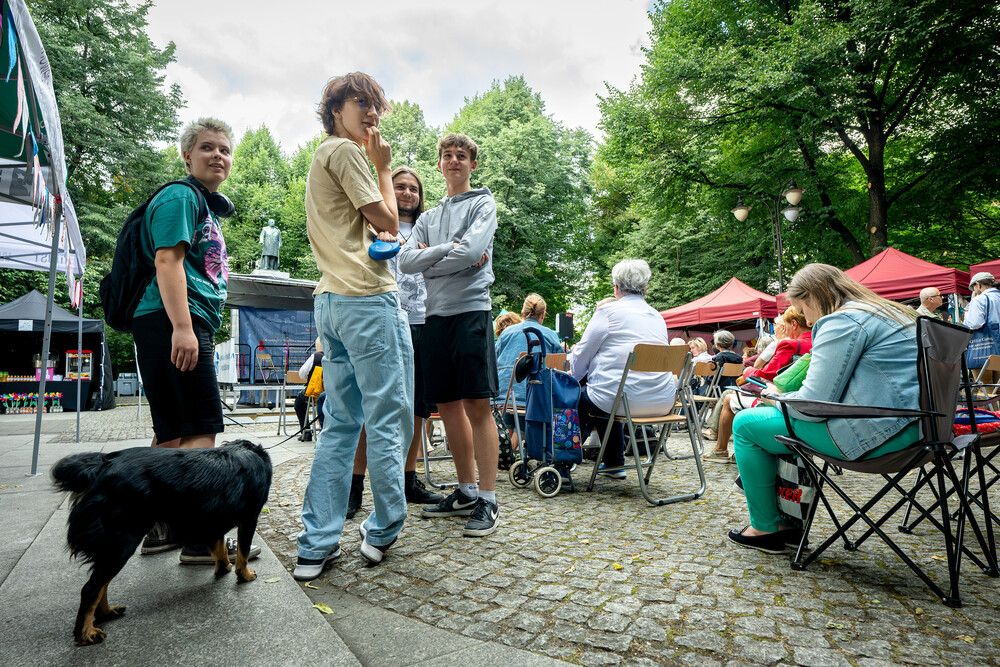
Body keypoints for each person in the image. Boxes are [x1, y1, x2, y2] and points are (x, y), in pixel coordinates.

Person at [294, 72, 413, 580]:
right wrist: (385, 168)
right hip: (367, 299)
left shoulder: (322, 158)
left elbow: (363, 227)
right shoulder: (345, 154)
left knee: (340, 424)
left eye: (376, 106)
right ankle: (383, 528)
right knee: (390, 416)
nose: (371, 114)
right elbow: (388, 223)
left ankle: (315, 544)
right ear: (335, 110)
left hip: (331, 301)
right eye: (359, 103)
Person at [728, 263, 922, 554]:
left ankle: (765, 528)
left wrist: (774, 397)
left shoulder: (843, 321)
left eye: (802, 310)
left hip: (878, 433)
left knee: (746, 423)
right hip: (925, 430)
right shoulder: (898, 314)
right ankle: (788, 524)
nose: (805, 318)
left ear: (812, 298)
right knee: (774, 425)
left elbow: (812, 406)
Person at [133, 117, 258, 564]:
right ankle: (198, 541)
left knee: (172, 432)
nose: (218, 156)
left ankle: (159, 528)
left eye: (224, 149)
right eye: (207, 148)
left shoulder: (198, 202)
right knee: (200, 429)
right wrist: (183, 328)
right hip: (173, 321)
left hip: (167, 321)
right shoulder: (180, 196)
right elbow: (168, 260)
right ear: (187, 156)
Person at [398, 132, 502, 538]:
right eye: (447, 155)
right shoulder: (426, 217)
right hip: (434, 316)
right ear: (439, 164)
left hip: (472, 313)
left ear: (472, 164)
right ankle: (465, 490)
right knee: (447, 406)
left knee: (478, 406)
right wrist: (450, 253)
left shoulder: (482, 203)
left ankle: (489, 500)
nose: (454, 160)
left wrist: (434, 257)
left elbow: (473, 250)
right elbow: (407, 262)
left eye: (461, 155)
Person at [344, 166, 444, 520]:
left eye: (413, 189)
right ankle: (354, 486)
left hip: (421, 321)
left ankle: (408, 480)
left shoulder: (427, 228)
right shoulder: (373, 223)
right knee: (371, 405)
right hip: (382, 317)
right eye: (400, 186)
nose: (406, 193)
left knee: (416, 408)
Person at [567, 260, 675, 479]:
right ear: (646, 288)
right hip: (662, 401)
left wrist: (575, 379)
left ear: (616, 288)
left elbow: (581, 354)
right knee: (608, 394)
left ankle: (562, 461)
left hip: (620, 399)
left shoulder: (608, 312)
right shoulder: (658, 317)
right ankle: (614, 463)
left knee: (579, 396)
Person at [703, 307, 812, 461]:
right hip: (808, 403)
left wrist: (748, 371)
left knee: (728, 399)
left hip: (782, 401)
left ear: (794, 324)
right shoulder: (818, 342)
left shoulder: (790, 344)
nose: (784, 330)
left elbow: (766, 374)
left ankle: (721, 449)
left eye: (784, 325)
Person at [496, 294, 563, 406]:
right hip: (538, 402)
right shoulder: (551, 336)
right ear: (543, 315)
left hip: (504, 399)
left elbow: (491, 363)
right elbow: (560, 369)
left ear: (522, 314)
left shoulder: (505, 333)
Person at [294, 338, 324, 440]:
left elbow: (302, 374)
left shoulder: (315, 357)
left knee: (299, 402)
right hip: (331, 393)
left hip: (314, 393)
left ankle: (305, 432)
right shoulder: (336, 355)